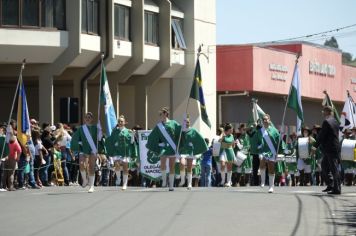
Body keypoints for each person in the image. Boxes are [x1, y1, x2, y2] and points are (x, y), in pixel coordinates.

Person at [146, 107, 181, 191]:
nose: (160, 115)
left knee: (171, 166)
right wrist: (158, 143)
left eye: (161, 114)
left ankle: (171, 185)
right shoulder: (159, 126)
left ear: (166, 114)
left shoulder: (174, 123)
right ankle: (164, 180)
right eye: (160, 114)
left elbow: (180, 132)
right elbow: (153, 137)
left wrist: (183, 124)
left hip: (172, 147)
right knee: (162, 164)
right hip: (164, 148)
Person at [71, 112, 105, 193]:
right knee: (82, 164)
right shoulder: (81, 128)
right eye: (86, 117)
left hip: (92, 149)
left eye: (89, 117)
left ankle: (91, 186)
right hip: (83, 149)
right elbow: (75, 139)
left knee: (91, 167)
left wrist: (100, 130)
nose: (87, 119)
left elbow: (100, 138)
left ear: (92, 119)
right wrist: (79, 144)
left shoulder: (95, 128)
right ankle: (85, 180)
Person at [311, 106, 341, 194]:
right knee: (324, 166)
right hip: (332, 148)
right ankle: (331, 185)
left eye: (323, 111)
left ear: (327, 111)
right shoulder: (335, 121)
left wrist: (314, 147)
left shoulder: (326, 122)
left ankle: (337, 188)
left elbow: (321, 136)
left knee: (334, 168)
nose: (322, 112)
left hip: (331, 148)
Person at [106, 115, 137, 190]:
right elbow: (110, 140)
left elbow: (132, 142)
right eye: (119, 121)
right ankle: (118, 178)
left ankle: (125, 183)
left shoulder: (128, 131)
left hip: (125, 152)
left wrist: (133, 135)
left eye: (121, 121)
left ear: (124, 122)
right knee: (116, 164)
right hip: (117, 151)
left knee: (126, 168)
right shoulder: (115, 131)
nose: (120, 122)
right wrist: (113, 144)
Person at [178, 116, 208, 189]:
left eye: (188, 122)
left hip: (190, 150)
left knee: (189, 167)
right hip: (182, 150)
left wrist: (194, 144)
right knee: (182, 163)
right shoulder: (181, 130)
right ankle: (182, 180)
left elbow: (199, 139)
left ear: (189, 122)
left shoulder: (193, 130)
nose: (187, 123)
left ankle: (189, 183)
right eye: (185, 122)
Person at [257, 114, 284, 193]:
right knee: (262, 161)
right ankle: (262, 181)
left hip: (272, 151)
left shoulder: (274, 130)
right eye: (264, 119)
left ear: (269, 120)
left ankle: (271, 186)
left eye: (266, 119)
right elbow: (258, 142)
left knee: (271, 167)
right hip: (263, 151)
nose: (265, 121)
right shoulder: (259, 131)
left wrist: (281, 148)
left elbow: (279, 141)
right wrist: (259, 148)